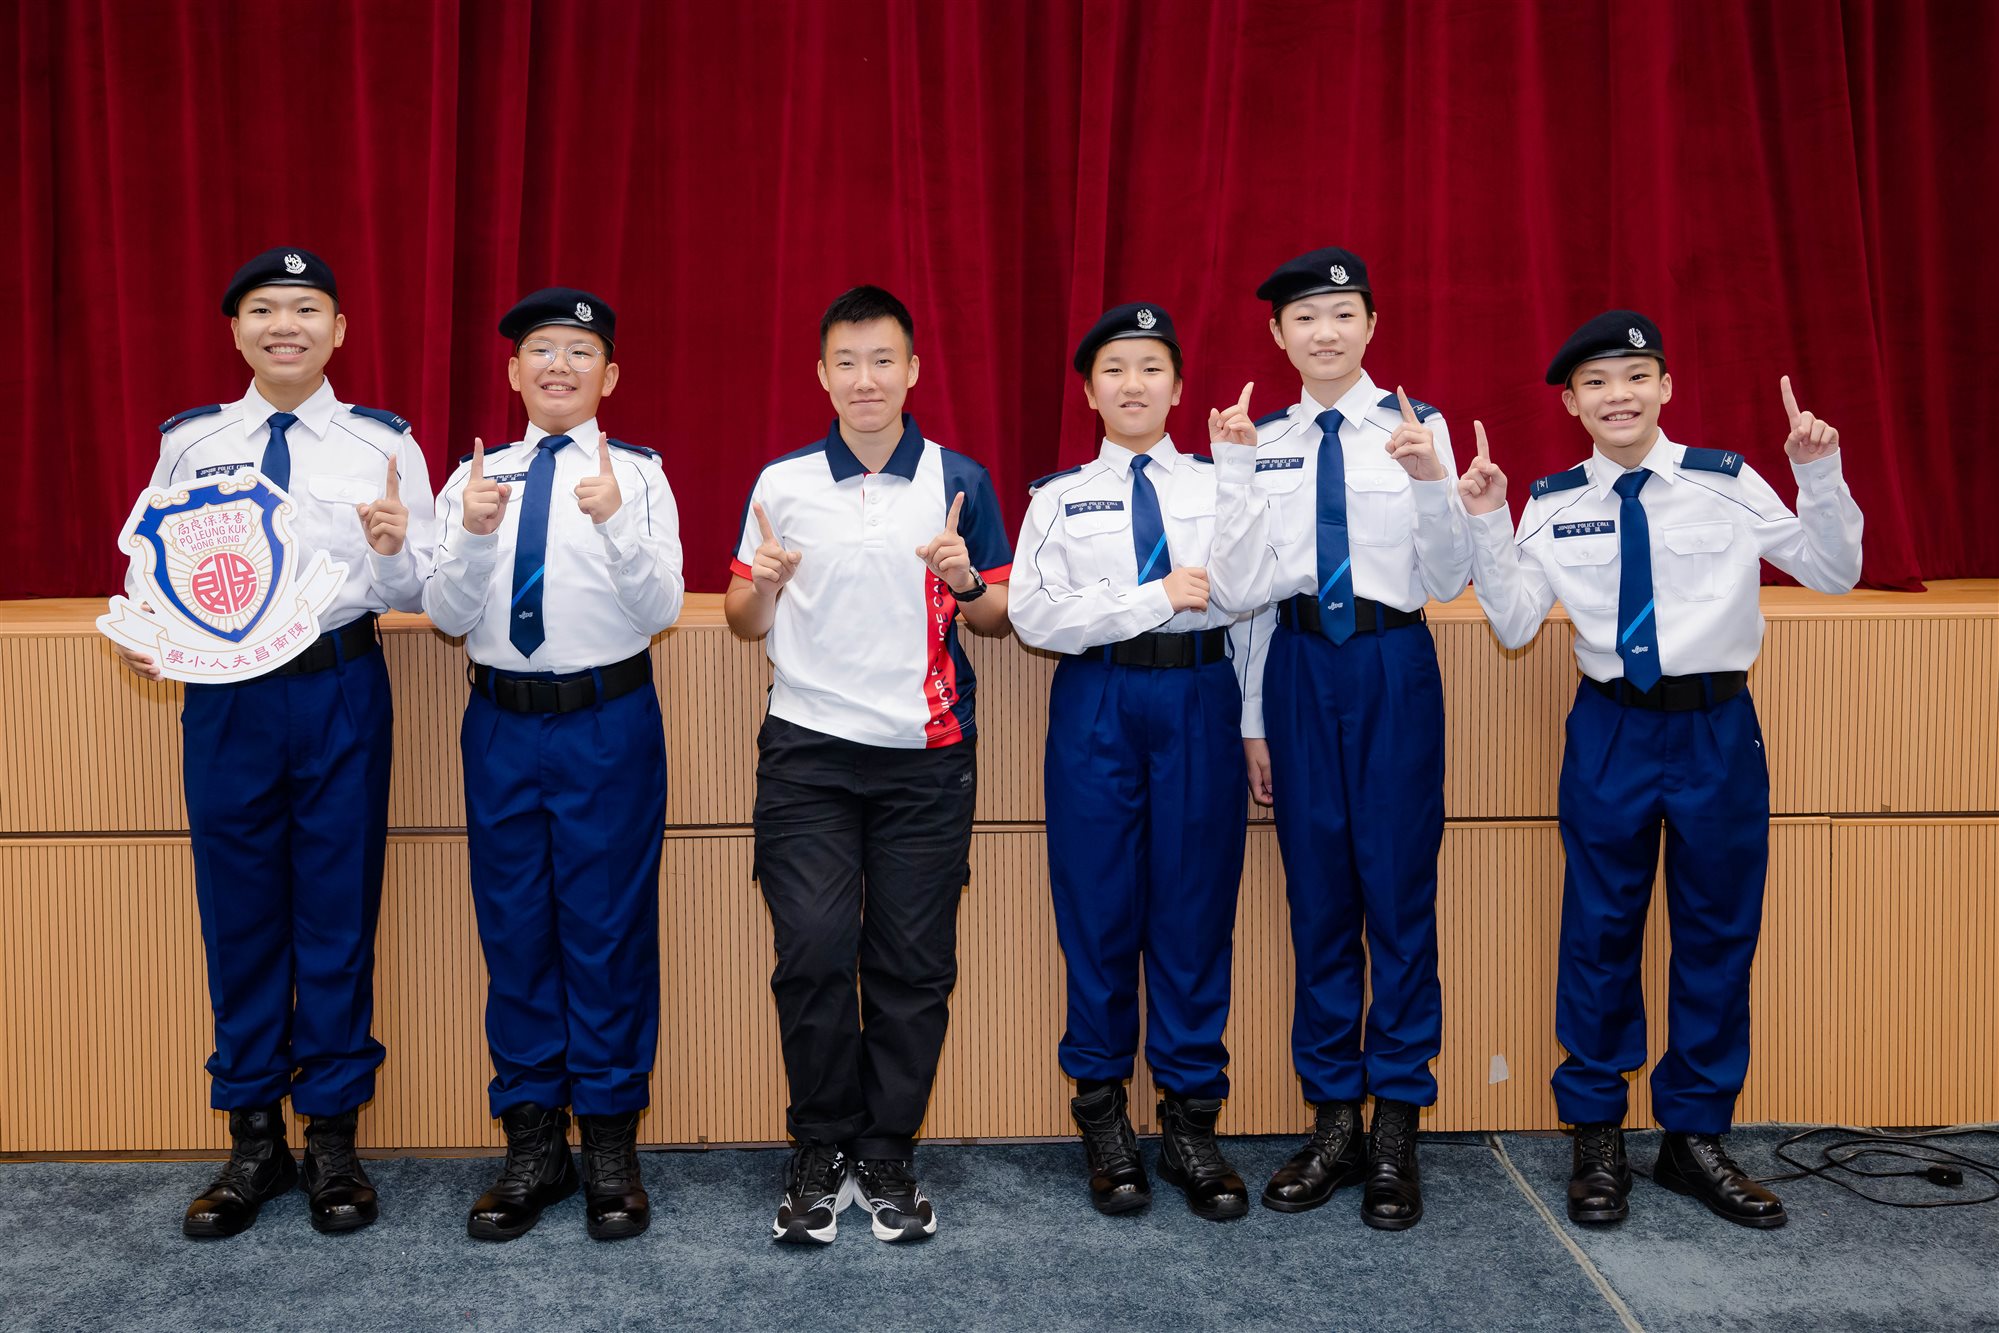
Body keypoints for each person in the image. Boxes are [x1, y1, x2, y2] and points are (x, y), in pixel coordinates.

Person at [1456, 310, 1863, 1229]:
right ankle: (1596, 1131)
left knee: (1717, 929)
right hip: (1612, 729)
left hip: (1717, 726)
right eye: (1595, 383)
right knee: (1599, 930)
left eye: (1635, 376)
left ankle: (1693, 1135)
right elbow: (1514, 622)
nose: (1618, 396)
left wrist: (1817, 472)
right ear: (1571, 403)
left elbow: (1833, 570)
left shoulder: (1725, 480)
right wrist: (1484, 519)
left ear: (1665, 387)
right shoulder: (1552, 501)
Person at [112, 246, 435, 1238]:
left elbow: (423, 584)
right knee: (240, 913)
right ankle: (254, 1138)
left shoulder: (383, 445)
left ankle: (332, 1137)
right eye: (263, 309)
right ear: (237, 330)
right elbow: (149, 565)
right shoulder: (192, 443)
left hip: (338, 688)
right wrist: (145, 631)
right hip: (227, 701)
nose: (283, 325)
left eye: (304, 308)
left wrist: (392, 548)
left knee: (337, 912)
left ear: (338, 330)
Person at [724, 285, 1012, 1244]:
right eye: (846, 362)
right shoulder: (782, 483)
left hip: (925, 758)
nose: (865, 379)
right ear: (821, 374)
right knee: (810, 951)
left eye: (882, 360)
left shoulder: (958, 477)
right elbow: (744, 619)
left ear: (912, 370)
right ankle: (820, 1148)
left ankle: (885, 1152)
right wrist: (762, 587)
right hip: (806, 753)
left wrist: (963, 579)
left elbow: (996, 615)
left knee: (912, 965)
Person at [424, 287, 684, 1242]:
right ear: (513, 371)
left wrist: (614, 521)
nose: (559, 365)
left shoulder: (639, 476)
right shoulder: (473, 478)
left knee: (606, 930)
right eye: (541, 349)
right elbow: (446, 614)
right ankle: (534, 1142)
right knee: (515, 930)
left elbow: (660, 607)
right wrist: (473, 533)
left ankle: (610, 1141)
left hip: (604, 723)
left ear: (609, 375)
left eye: (579, 351)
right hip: (500, 725)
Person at [1223, 247, 1472, 1230]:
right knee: (1318, 896)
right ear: (1276, 335)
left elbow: (1447, 577)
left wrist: (1428, 481)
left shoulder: (1418, 428)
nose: (1323, 331)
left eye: (1340, 314)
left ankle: (1397, 1122)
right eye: (1303, 317)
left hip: (1389, 664)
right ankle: (1334, 1119)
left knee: (1398, 894)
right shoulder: (1262, 440)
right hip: (1295, 668)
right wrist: (1252, 719)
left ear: (1371, 324)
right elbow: (1246, 596)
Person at [1010, 303, 1264, 1220]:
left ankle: (1191, 1120)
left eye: (1150, 367)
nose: (1132, 384)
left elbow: (1251, 598)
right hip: (1099, 699)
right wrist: (1150, 596)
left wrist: (1254, 722)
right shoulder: (1057, 496)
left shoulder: (1219, 480)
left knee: (1194, 910)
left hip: (1199, 694)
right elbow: (1036, 615)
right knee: (1098, 909)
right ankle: (1103, 1116)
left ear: (1177, 387)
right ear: (1088, 391)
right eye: (1113, 369)